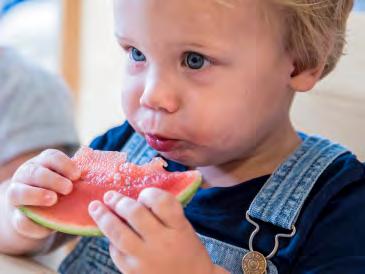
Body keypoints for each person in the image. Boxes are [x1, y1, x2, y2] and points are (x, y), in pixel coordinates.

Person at [1, 0, 364, 273]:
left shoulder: (341, 204)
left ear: (302, 61)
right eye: (137, 53)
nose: (151, 96)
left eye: (194, 60)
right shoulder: (125, 147)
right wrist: (22, 216)